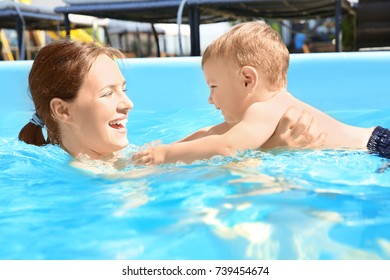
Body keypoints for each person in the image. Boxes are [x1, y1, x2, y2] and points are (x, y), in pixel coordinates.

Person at [18, 40, 324, 162]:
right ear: (62, 110)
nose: (128, 104)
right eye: (108, 93)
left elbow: (207, 140)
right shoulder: (89, 186)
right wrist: (272, 150)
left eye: (123, 89)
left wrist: (264, 142)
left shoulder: (123, 165)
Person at [133, 21, 390, 165]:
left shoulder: (263, 109)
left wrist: (163, 155)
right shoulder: (267, 109)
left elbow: (226, 146)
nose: (210, 98)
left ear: (247, 80)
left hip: (377, 149)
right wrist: (174, 145)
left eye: (213, 86)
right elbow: (214, 133)